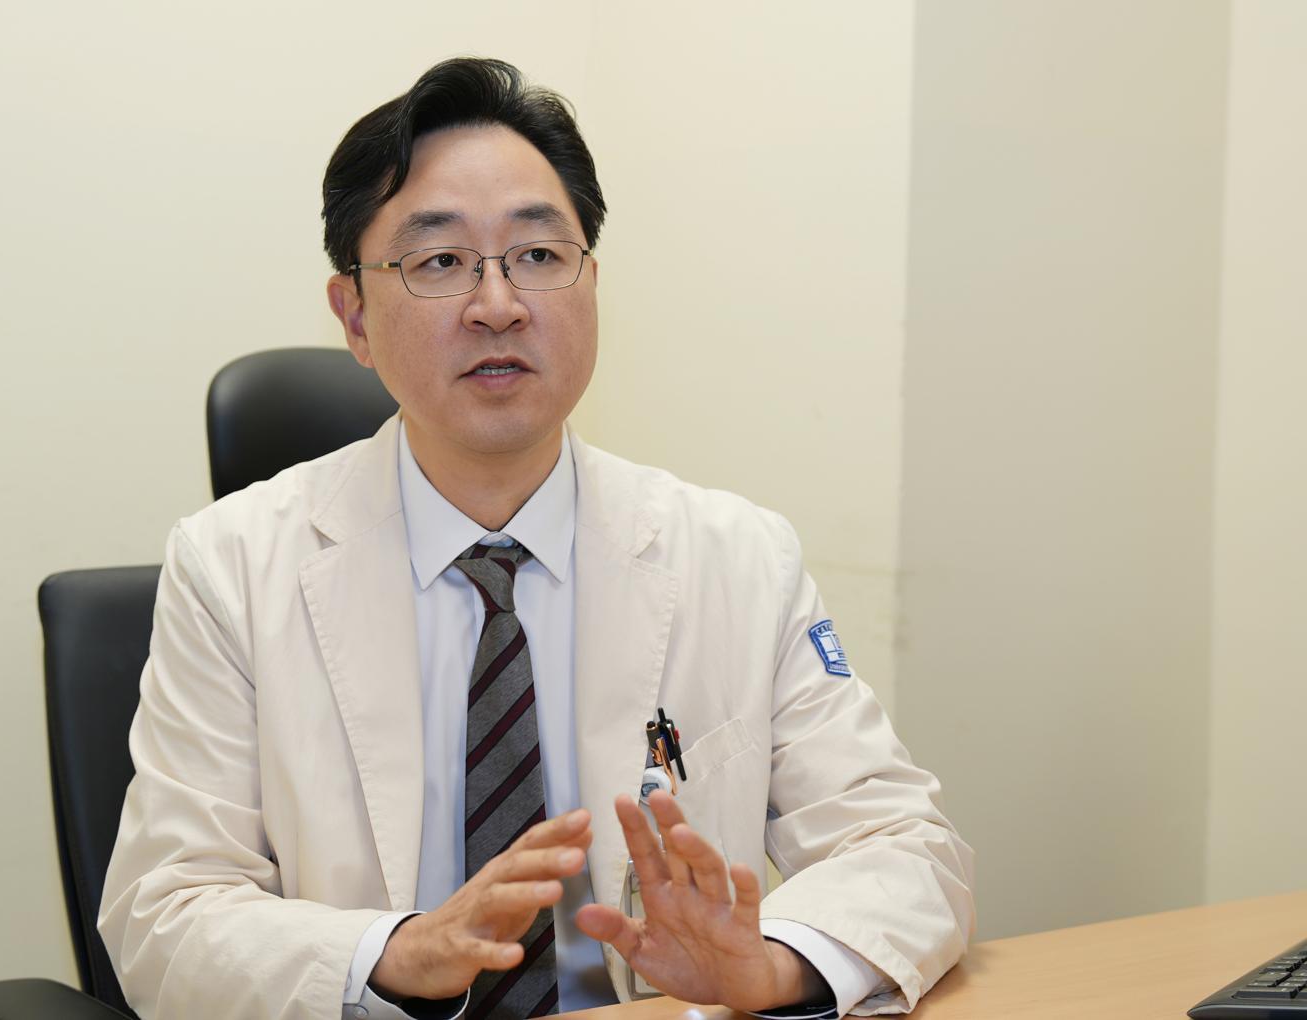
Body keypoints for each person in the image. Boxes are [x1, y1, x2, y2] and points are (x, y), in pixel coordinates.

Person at [98, 57, 974, 1020]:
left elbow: (904, 845)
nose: (498, 304)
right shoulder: (229, 567)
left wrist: (771, 968)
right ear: (354, 316)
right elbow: (164, 914)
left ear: (591, 284)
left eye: (539, 255)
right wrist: (394, 953)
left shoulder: (739, 559)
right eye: (440, 262)